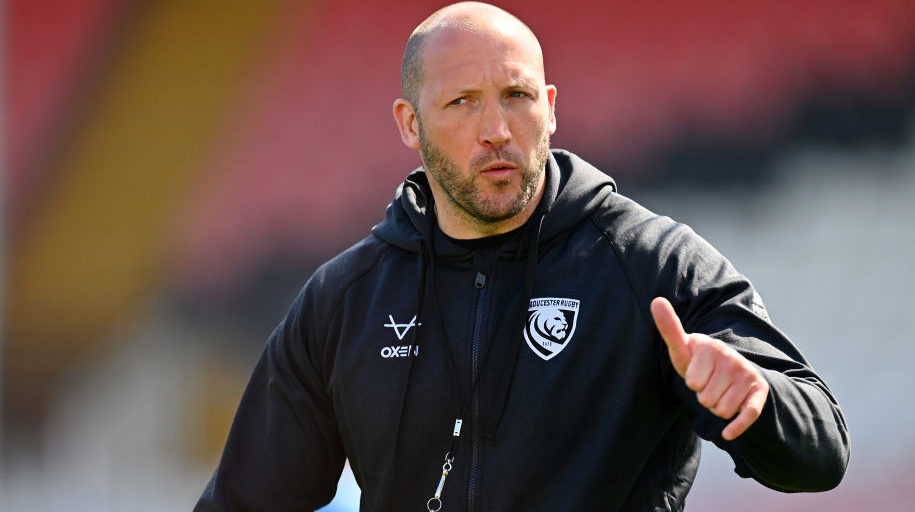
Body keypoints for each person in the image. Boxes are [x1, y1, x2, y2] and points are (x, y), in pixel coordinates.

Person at [195, 2, 850, 510]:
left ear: (551, 107)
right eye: (462, 103)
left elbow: (821, 454)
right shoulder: (346, 299)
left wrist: (760, 403)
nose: (497, 130)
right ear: (409, 123)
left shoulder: (650, 264)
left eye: (517, 95)